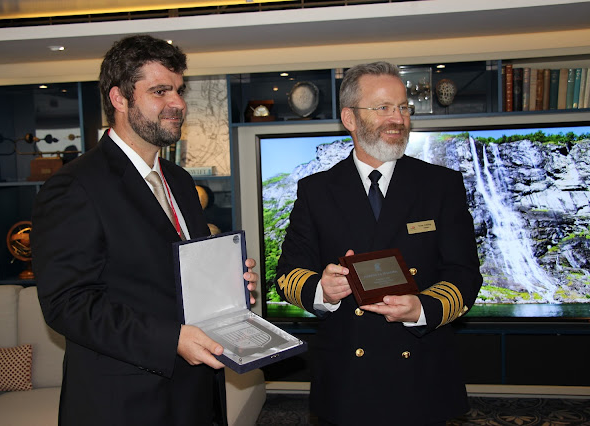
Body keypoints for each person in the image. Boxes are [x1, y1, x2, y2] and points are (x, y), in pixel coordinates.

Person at [32, 34, 258, 426]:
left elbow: (175, 275)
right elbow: (68, 305)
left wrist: (230, 286)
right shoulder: (74, 186)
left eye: (179, 90)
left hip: (195, 394)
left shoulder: (180, 180)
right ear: (119, 98)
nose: (179, 103)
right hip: (124, 404)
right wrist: (171, 340)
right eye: (160, 91)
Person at [275, 62, 483, 426]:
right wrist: (323, 289)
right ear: (349, 118)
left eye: (403, 107)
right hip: (347, 378)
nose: (398, 119)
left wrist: (422, 308)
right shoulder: (316, 191)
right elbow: (288, 273)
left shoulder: (440, 185)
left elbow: (464, 273)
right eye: (383, 107)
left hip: (422, 370)